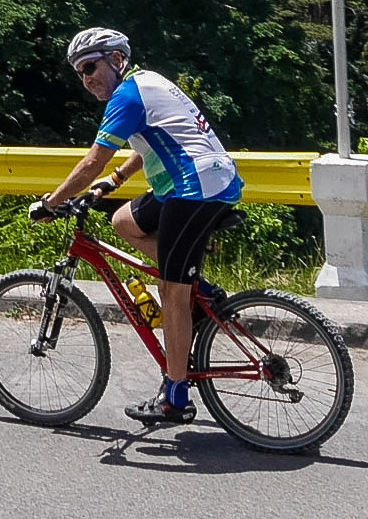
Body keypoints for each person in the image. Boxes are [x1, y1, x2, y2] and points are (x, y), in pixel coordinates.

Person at [34, 27, 244, 425]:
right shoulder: (146, 83)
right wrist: (114, 181)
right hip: (202, 180)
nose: (86, 78)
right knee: (124, 220)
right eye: (80, 73)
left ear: (116, 60)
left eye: (91, 67)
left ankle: (174, 397)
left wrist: (50, 203)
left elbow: (91, 162)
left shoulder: (127, 96)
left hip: (195, 188)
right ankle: (201, 292)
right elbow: (148, 141)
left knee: (171, 291)